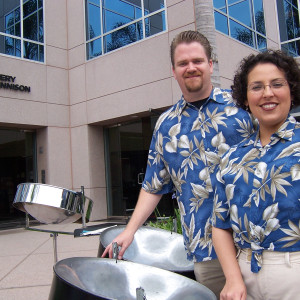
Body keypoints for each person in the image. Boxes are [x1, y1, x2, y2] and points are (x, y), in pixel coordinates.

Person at [102, 30, 254, 298]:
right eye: (183, 63)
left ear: (210, 64)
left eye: (197, 60)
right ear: (173, 70)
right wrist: (129, 231)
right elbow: (153, 185)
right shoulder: (165, 125)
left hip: (253, 240)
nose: (190, 68)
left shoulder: (242, 108)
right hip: (205, 249)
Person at [211, 49, 300, 300]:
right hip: (244, 277)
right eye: (257, 87)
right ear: (245, 97)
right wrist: (233, 279)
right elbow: (220, 224)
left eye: (277, 84)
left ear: (291, 90)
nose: (267, 93)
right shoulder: (231, 157)